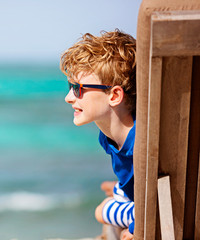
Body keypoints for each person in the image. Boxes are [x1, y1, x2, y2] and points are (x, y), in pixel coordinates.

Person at [60, 29, 136, 240]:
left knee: (101, 211)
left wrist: (134, 228)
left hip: (147, 204)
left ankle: (122, 198)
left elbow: (160, 199)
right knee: (113, 194)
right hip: (137, 192)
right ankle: (122, 192)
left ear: (114, 95)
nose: (68, 97)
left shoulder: (142, 142)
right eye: (70, 86)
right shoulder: (108, 136)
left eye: (78, 88)